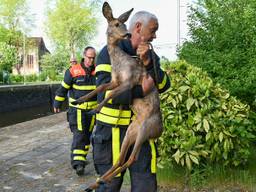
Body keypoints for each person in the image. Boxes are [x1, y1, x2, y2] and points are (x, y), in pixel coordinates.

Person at [93, 11, 170, 192]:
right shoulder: (108, 53)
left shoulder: (150, 54)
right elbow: (104, 94)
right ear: (137, 28)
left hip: (141, 136)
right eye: (152, 30)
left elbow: (165, 84)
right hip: (110, 137)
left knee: (145, 187)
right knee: (107, 188)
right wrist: (141, 90)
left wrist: (149, 64)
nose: (155, 36)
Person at [53, 46, 97, 176]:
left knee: (87, 135)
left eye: (93, 58)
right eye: (89, 57)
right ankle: (78, 164)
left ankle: (81, 157)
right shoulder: (73, 71)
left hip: (92, 111)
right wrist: (57, 102)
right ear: (84, 56)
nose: (91, 60)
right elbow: (63, 89)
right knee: (79, 134)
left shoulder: (97, 71)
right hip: (77, 110)